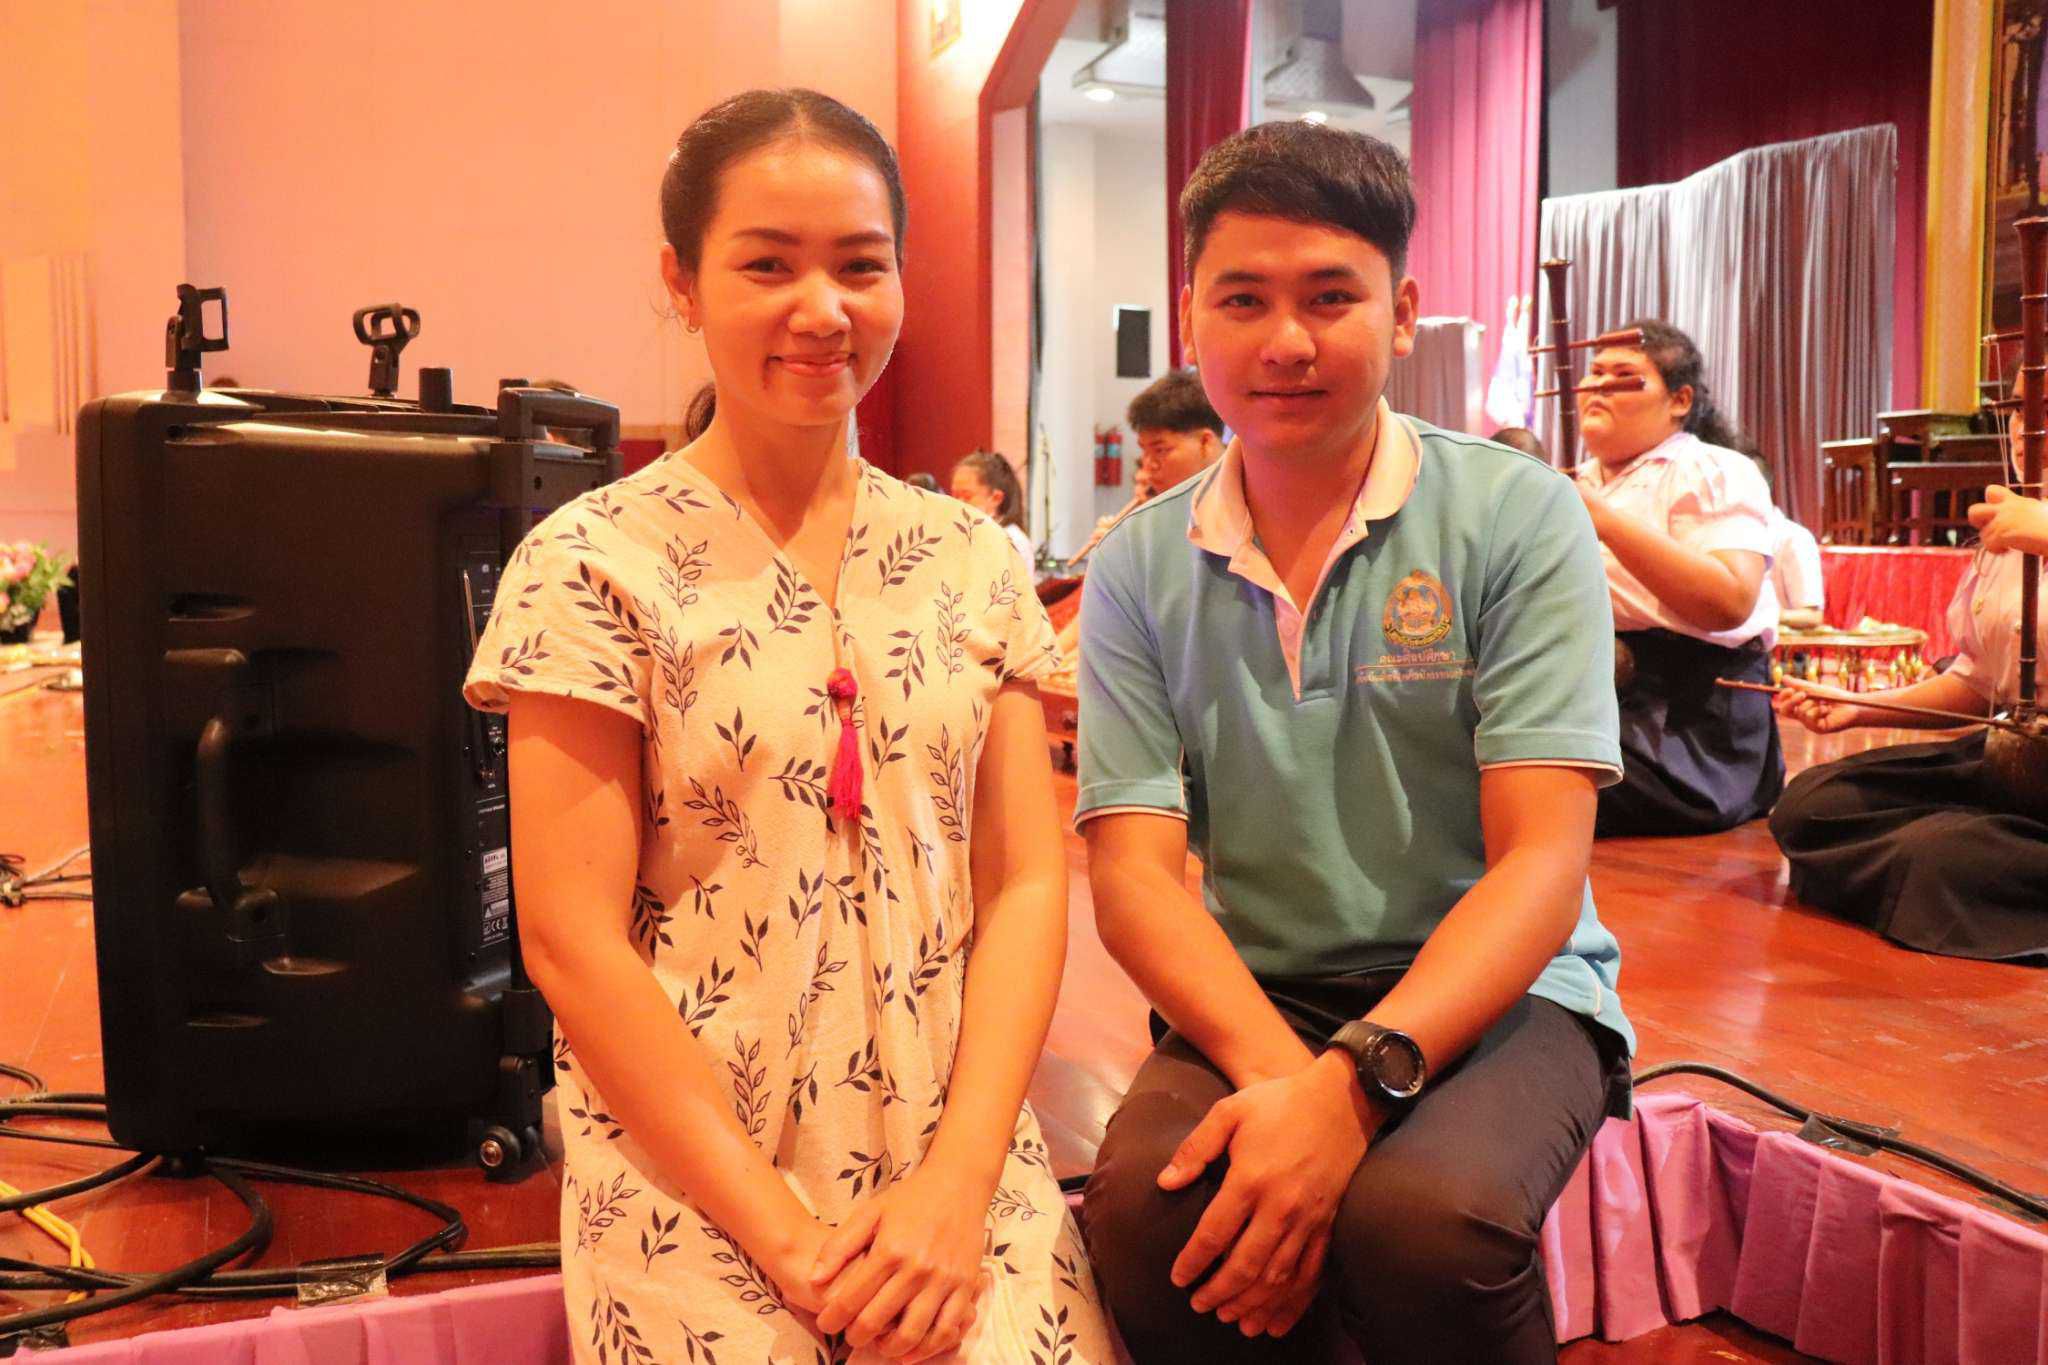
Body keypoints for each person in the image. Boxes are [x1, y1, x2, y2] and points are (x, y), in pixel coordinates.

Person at [464, 88, 1111, 1363]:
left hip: (956, 1159)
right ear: (682, 281)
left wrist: (955, 1190)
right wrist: (793, 1246)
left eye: (860, 266)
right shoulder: (589, 563)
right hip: (700, 1177)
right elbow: (569, 940)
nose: (822, 310)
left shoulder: (972, 558)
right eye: (767, 265)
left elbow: (1027, 885)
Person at [1076, 120, 1631, 1365]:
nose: (1286, 341)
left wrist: (1348, 1092)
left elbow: (1541, 861)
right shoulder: (1136, 566)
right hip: (1264, 987)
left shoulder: (1515, 514)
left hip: (1505, 988)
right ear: (1190, 317)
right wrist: (1294, 1090)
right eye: (1243, 300)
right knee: (1154, 1220)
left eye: (1330, 297)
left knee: (1427, 1227)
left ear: (1402, 312)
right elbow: (1131, 878)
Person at [1770, 470, 2048, 962]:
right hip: (2022, 754)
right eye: (2017, 425)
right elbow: (1980, 681)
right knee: (1812, 805)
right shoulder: (2008, 524)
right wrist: (1860, 708)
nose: (2027, 436)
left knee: (1941, 857)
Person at [1573, 321, 1783, 836]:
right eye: (1594, 372)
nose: (1599, 387)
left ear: (1679, 400)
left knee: (1526, 772)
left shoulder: (1714, 469)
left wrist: (1600, 518)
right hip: (1597, 693)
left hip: (1690, 721)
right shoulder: (1579, 478)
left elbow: (1731, 601)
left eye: (1624, 376)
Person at [1069, 371, 1226, 564]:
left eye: (1160, 450)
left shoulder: (1242, 502)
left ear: (1205, 442)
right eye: (1144, 451)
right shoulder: (1161, 511)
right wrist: (1116, 555)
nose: (1148, 466)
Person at [949, 449, 1035, 566]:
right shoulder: (959, 534)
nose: (958, 503)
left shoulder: (1013, 541)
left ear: (996, 498)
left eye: (967, 496)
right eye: (955, 495)